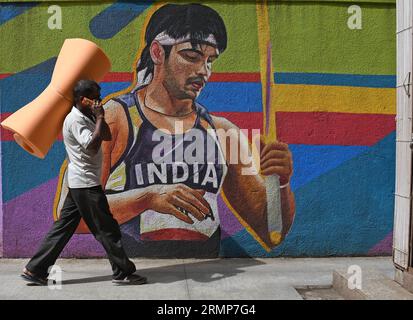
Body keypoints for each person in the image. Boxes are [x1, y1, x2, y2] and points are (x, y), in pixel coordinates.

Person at [55, 3, 295, 258]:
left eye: (210, 60)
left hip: (210, 279)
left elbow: (272, 232)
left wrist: (280, 185)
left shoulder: (223, 132)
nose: (203, 71)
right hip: (135, 279)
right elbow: (72, 213)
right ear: (158, 52)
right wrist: (147, 197)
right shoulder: (116, 118)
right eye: (192, 56)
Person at [21, 80, 147, 285]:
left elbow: (105, 135)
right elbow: (91, 145)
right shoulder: (75, 119)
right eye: (95, 97)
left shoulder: (88, 116)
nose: (99, 100)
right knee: (107, 229)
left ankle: (35, 269)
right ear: (82, 99)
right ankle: (123, 272)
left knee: (62, 229)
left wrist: (99, 117)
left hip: (80, 184)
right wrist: (98, 117)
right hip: (86, 185)